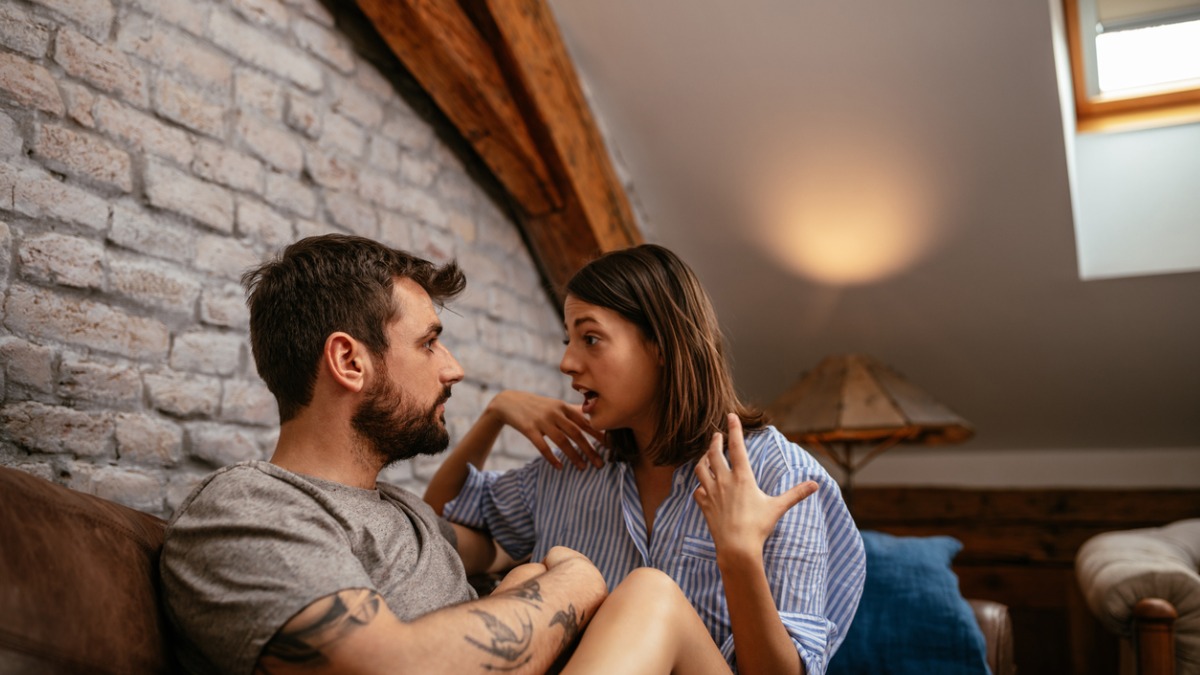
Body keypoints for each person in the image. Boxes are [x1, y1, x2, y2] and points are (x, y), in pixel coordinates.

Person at [159, 234, 743, 675]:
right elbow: (388, 667)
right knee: (647, 593)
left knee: (636, 590)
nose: (453, 368)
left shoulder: (403, 512)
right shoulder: (250, 507)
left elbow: (497, 551)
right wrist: (575, 582)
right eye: (430, 342)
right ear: (349, 362)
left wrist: (531, 579)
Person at [426, 244, 867, 675]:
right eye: (569, 340)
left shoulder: (778, 474)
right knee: (530, 577)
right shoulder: (575, 467)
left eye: (591, 338)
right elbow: (437, 530)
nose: (567, 362)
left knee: (650, 592)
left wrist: (739, 555)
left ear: (661, 345)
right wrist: (495, 414)